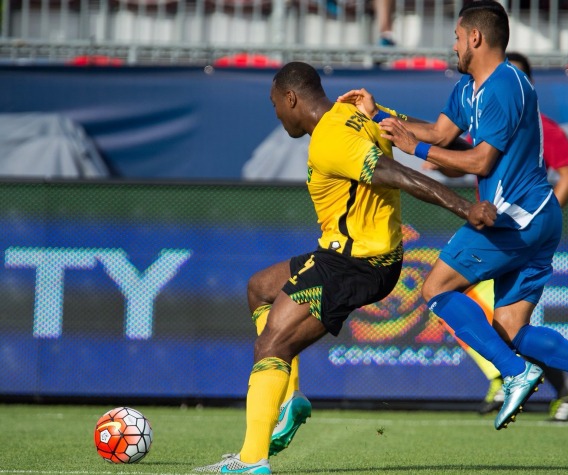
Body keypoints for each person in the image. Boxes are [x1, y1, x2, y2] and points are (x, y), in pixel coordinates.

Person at [338, 0, 568, 437]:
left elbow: (479, 161)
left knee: (436, 287)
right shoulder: (468, 89)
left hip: (517, 218)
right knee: (510, 328)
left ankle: (514, 375)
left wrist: (412, 148)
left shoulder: (505, 85)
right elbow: (441, 133)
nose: (453, 45)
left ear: (475, 38)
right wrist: (379, 112)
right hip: (532, 219)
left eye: (457, 37)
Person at [194, 60, 496, 474]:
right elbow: (420, 131)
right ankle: (290, 402)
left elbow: (397, 174)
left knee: (272, 346)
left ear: (291, 98)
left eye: (275, 105)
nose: (277, 114)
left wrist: (466, 208)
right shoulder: (354, 114)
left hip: (356, 262)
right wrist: (384, 112)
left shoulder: (331, 138)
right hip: (347, 253)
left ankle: (251, 462)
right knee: (260, 288)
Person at [472, 50, 568, 421]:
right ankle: (561, 387)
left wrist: (536, 220)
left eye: (515, 77)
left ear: (529, 84)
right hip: (493, 234)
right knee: (501, 321)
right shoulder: (489, 124)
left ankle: (510, 375)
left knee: (449, 293)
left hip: (517, 238)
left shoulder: (543, 127)